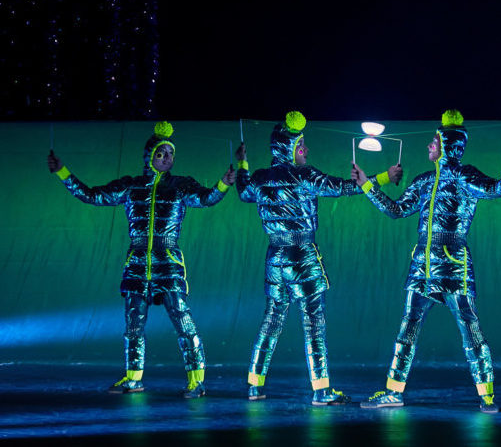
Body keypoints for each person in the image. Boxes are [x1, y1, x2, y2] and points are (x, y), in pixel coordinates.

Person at [352, 110, 501, 413]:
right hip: (422, 264)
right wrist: (367, 184)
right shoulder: (424, 180)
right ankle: (393, 392)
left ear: (448, 146)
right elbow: (396, 210)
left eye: (433, 142)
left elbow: (494, 189)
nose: (428, 146)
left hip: (454, 264)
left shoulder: (465, 176)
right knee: (408, 328)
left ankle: (487, 395)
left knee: (470, 328)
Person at [48, 121, 235, 398]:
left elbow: (206, 198)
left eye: (170, 154)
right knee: (133, 325)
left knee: (183, 320)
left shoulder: (181, 186)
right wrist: (62, 172)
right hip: (136, 264)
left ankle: (196, 380)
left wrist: (224, 183)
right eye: (161, 153)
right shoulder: (131, 186)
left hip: (167, 262)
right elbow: (91, 195)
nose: (167, 158)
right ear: (149, 156)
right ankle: (133, 378)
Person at [236, 111, 402, 405]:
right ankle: (321, 390)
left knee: (271, 321)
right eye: (302, 145)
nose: (307, 150)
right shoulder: (304, 175)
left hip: (274, 258)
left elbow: (243, 191)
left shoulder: (260, 178)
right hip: (303, 256)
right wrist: (383, 178)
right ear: (291, 149)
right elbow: (343, 187)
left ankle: (254, 384)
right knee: (313, 323)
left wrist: (242, 164)